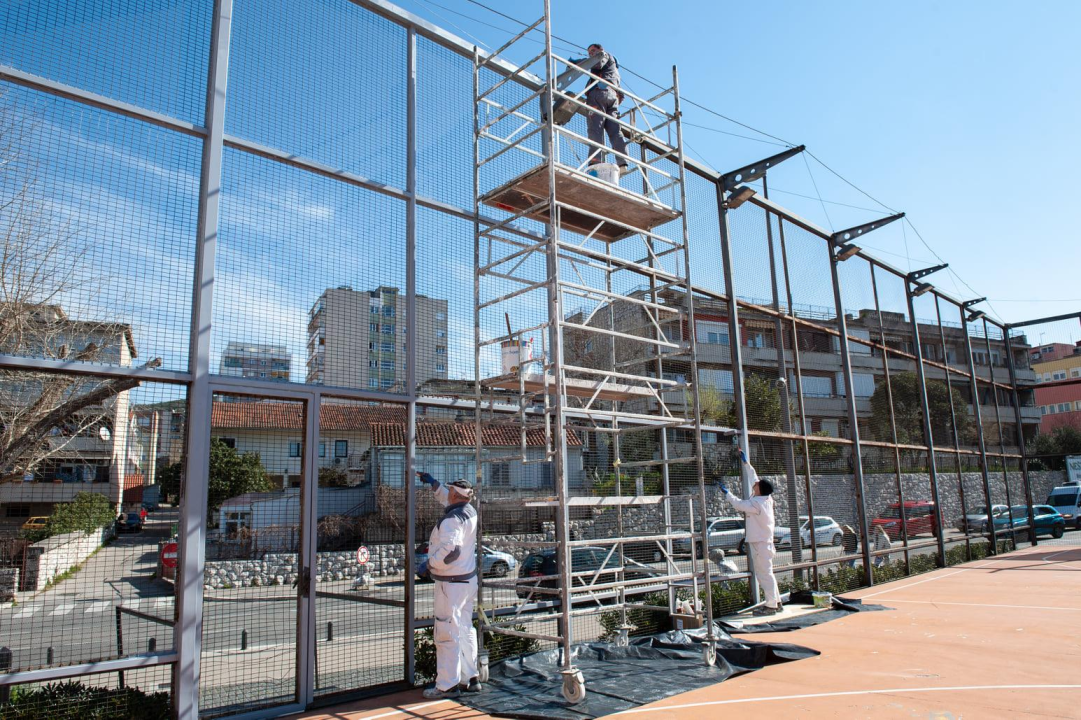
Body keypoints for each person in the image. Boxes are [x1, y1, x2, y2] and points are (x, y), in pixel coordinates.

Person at [416, 471, 481, 699]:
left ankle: (446, 685)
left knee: (446, 632)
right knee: (465, 628)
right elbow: (450, 499)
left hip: (450, 585)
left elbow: (450, 551)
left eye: (449, 490)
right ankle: (470, 678)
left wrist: (429, 565)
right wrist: (433, 485)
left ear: (455, 494)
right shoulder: (469, 511)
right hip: (467, 581)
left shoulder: (452, 520)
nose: (448, 493)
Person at [718, 450, 781, 616]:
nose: (755, 484)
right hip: (764, 543)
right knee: (768, 573)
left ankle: (771, 606)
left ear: (760, 489)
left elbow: (739, 504)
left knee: (764, 575)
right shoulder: (765, 498)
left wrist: (727, 493)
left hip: (760, 544)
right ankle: (776, 602)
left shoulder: (756, 504)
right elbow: (754, 477)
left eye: (757, 485)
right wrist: (746, 463)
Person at [569, 43, 629, 170]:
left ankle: (595, 161)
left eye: (593, 51)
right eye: (589, 53)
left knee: (595, 128)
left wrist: (577, 63)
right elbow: (621, 95)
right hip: (612, 98)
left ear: (601, 49)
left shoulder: (605, 56)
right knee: (614, 130)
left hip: (599, 94)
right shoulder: (614, 72)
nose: (591, 54)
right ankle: (622, 162)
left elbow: (597, 62)